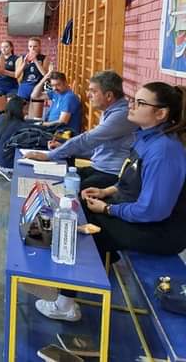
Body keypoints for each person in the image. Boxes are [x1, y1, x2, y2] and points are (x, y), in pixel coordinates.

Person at [36, 81, 186, 323]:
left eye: (140, 103)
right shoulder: (146, 138)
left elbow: (153, 211)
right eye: (133, 100)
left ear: (160, 113)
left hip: (161, 232)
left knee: (83, 223)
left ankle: (65, 304)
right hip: (143, 217)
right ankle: (88, 270)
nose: (131, 106)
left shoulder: (164, 151)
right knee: (81, 206)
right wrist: (106, 191)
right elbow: (130, 178)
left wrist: (108, 208)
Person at [25, 71, 136, 189]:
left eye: (93, 91)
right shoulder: (109, 111)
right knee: (54, 181)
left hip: (111, 175)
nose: (88, 95)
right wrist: (63, 148)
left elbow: (87, 139)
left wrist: (50, 156)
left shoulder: (121, 115)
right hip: (98, 167)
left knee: (65, 190)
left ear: (109, 96)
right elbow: (96, 149)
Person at [30, 68, 82, 135]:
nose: (55, 88)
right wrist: (45, 77)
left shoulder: (69, 97)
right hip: (51, 129)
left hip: (62, 133)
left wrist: (43, 124)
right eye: (53, 85)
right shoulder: (55, 93)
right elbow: (34, 96)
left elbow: (62, 122)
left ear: (65, 83)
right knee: (26, 124)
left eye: (58, 85)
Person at [0, 96, 33, 174]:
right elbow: (30, 126)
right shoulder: (19, 125)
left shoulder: (2, 117)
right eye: (25, 109)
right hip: (7, 163)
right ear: (18, 110)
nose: (27, 112)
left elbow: (27, 123)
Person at [15, 37, 48, 118]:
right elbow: (16, 75)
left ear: (39, 47)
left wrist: (35, 60)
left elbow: (45, 74)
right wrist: (24, 64)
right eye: (30, 46)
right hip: (24, 88)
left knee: (37, 118)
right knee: (22, 116)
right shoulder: (23, 58)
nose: (32, 48)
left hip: (37, 88)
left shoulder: (44, 58)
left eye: (35, 46)